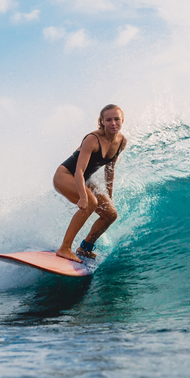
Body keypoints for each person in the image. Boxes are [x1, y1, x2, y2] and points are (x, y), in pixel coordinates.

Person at [53, 104, 126, 262]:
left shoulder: (121, 141)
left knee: (110, 214)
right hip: (65, 175)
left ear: (122, 120)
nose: (113, 123)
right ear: (102, 122)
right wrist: (83, 197)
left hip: (84, 179)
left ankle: (85, 248)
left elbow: (110, 170)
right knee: (91, 202)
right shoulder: (92, 139)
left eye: (116, 119)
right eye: (108, 120)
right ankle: (64, 248)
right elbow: (78, 170)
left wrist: (109, 195)